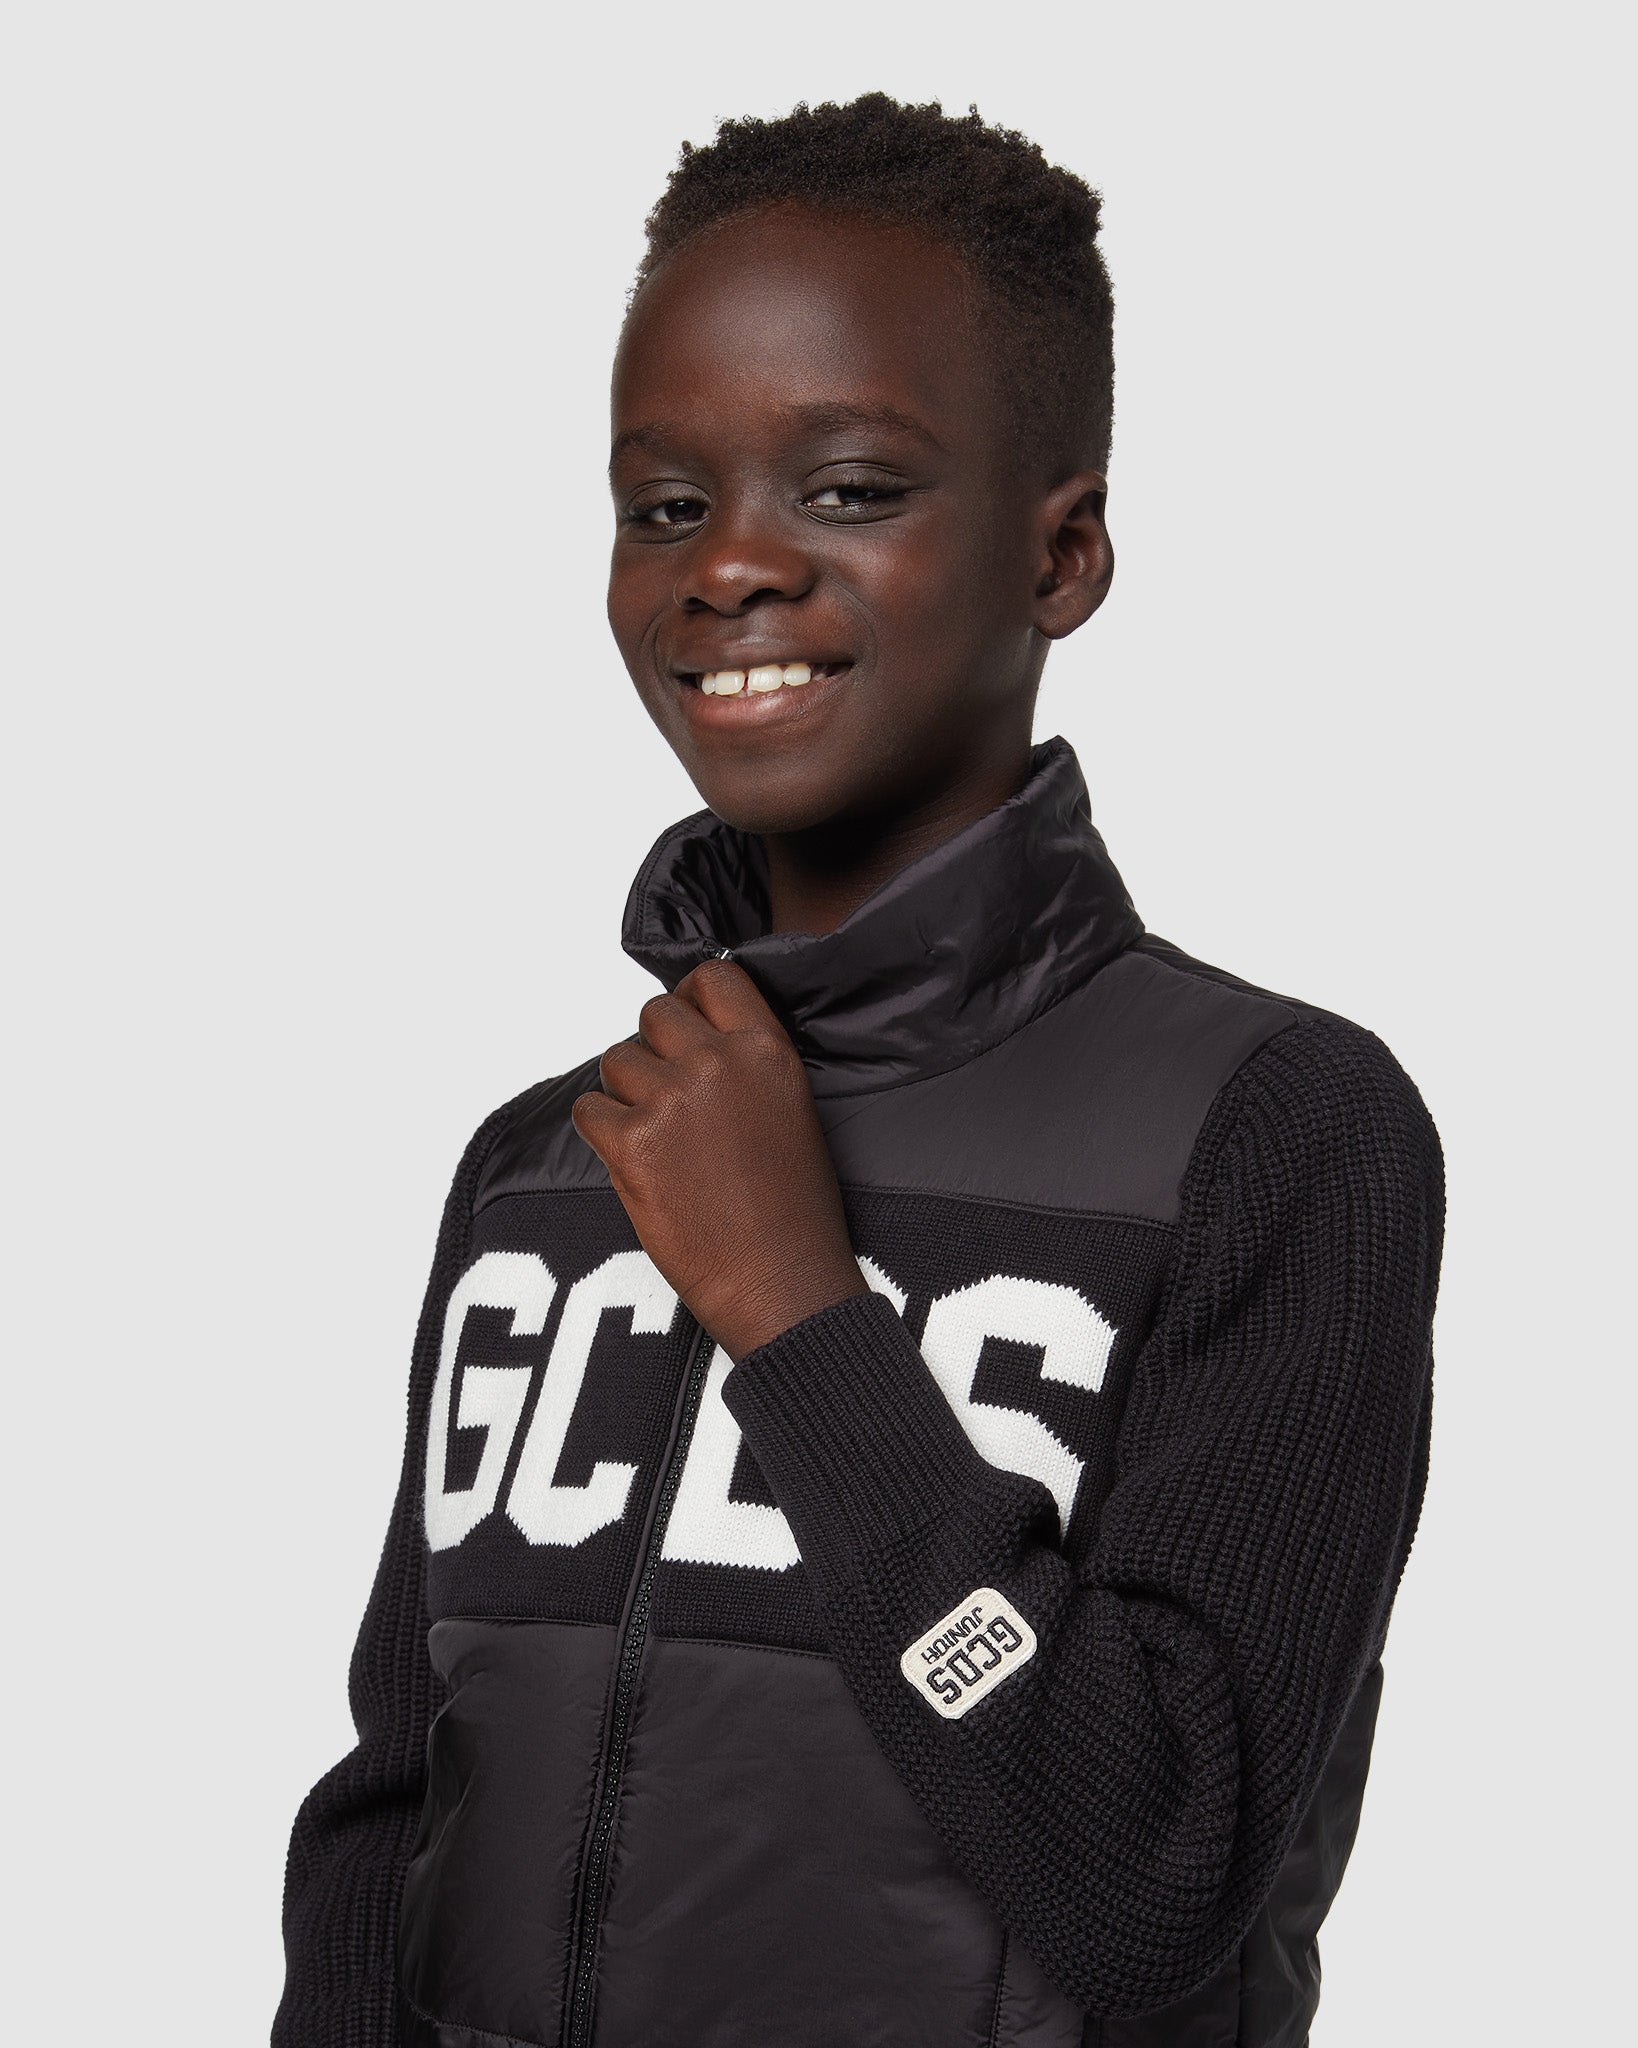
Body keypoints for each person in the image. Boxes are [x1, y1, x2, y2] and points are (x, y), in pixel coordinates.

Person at [274, 94, 1444, 2048]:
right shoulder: (545, 1164)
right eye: (666, 505)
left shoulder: (1271, 1130)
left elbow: (1152, 1868)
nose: (732, 565)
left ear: (1060, 554)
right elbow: (393, 1807)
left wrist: (803, 1321)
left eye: (846, 487)